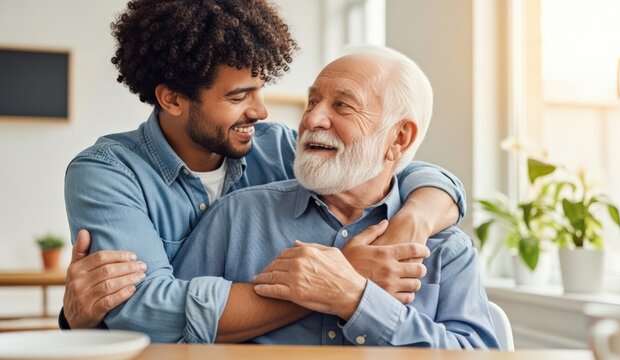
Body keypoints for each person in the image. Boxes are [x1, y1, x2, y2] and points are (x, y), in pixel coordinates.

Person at [61, 0, 467, 344]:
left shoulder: (274, 145)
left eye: (259, 88)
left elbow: (384, 161)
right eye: (238, 97)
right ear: (172, 99)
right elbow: (144, 314)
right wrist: (339, 278)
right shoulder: (109, 173)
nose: (259, 111)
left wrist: (416, 217)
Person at [173, 46, 498, 348]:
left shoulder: (445, 250)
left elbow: (476, 353)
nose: (311, 119)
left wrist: (357, 298)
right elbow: (172, 333)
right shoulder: (237, 216)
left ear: (399, 138)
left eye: (342, 105)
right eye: (312, 102)